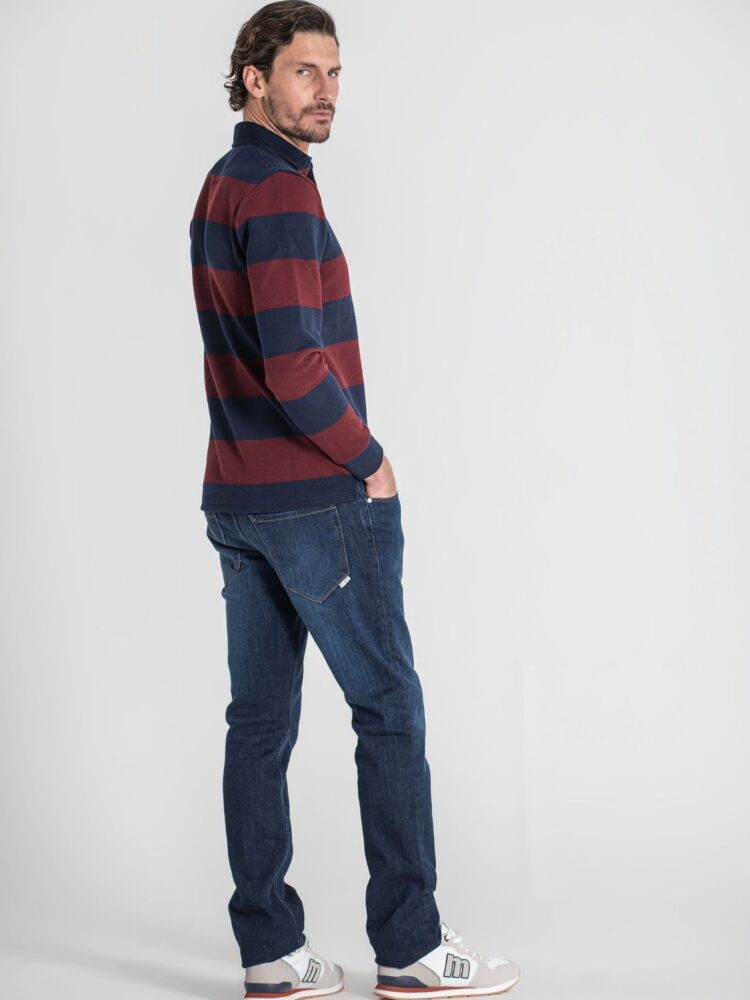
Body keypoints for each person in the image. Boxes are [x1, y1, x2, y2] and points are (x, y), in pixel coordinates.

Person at [189, 3, 521, 997]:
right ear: (255, 78)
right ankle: (410, 947)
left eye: (335, 72)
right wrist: (368, 458)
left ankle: (271, 954)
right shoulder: (278, 193)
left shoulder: (223, 183)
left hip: (238, 496)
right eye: (305, 71)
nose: (327, 90)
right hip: (314, 499)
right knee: (388, 706)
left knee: (258, 724)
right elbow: (294, 365)